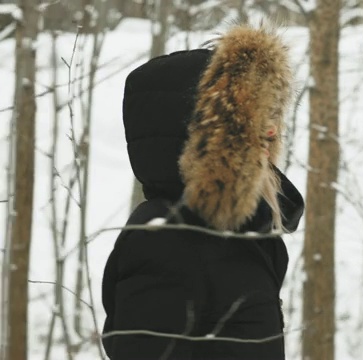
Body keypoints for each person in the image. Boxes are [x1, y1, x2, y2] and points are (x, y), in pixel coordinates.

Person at [101, 25, 304, 360]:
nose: (270, 129)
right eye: (251, 118)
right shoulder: (165, 238)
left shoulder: (250, 237)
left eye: (272, 116)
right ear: (211, 136)